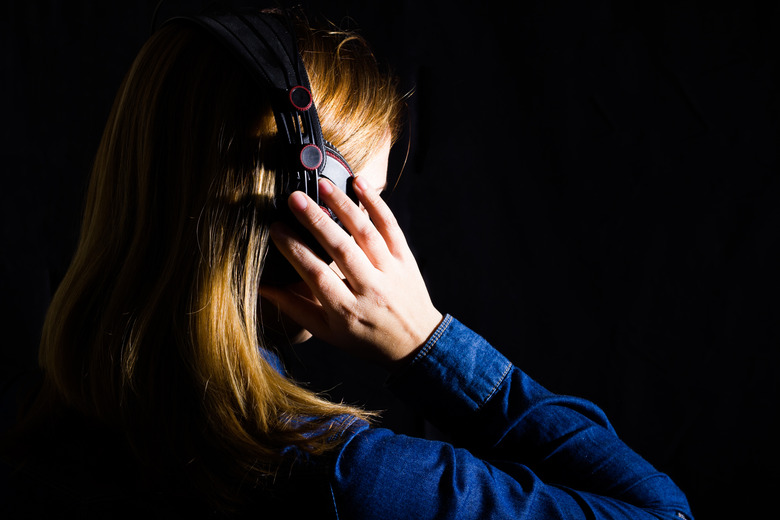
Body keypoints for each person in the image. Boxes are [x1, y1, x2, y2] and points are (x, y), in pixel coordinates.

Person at [1, 6, 694, 519]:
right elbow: (663, 513)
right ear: (311, 210)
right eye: (367, 208)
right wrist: (428, 342)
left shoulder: (42, 420)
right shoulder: (358, 485)